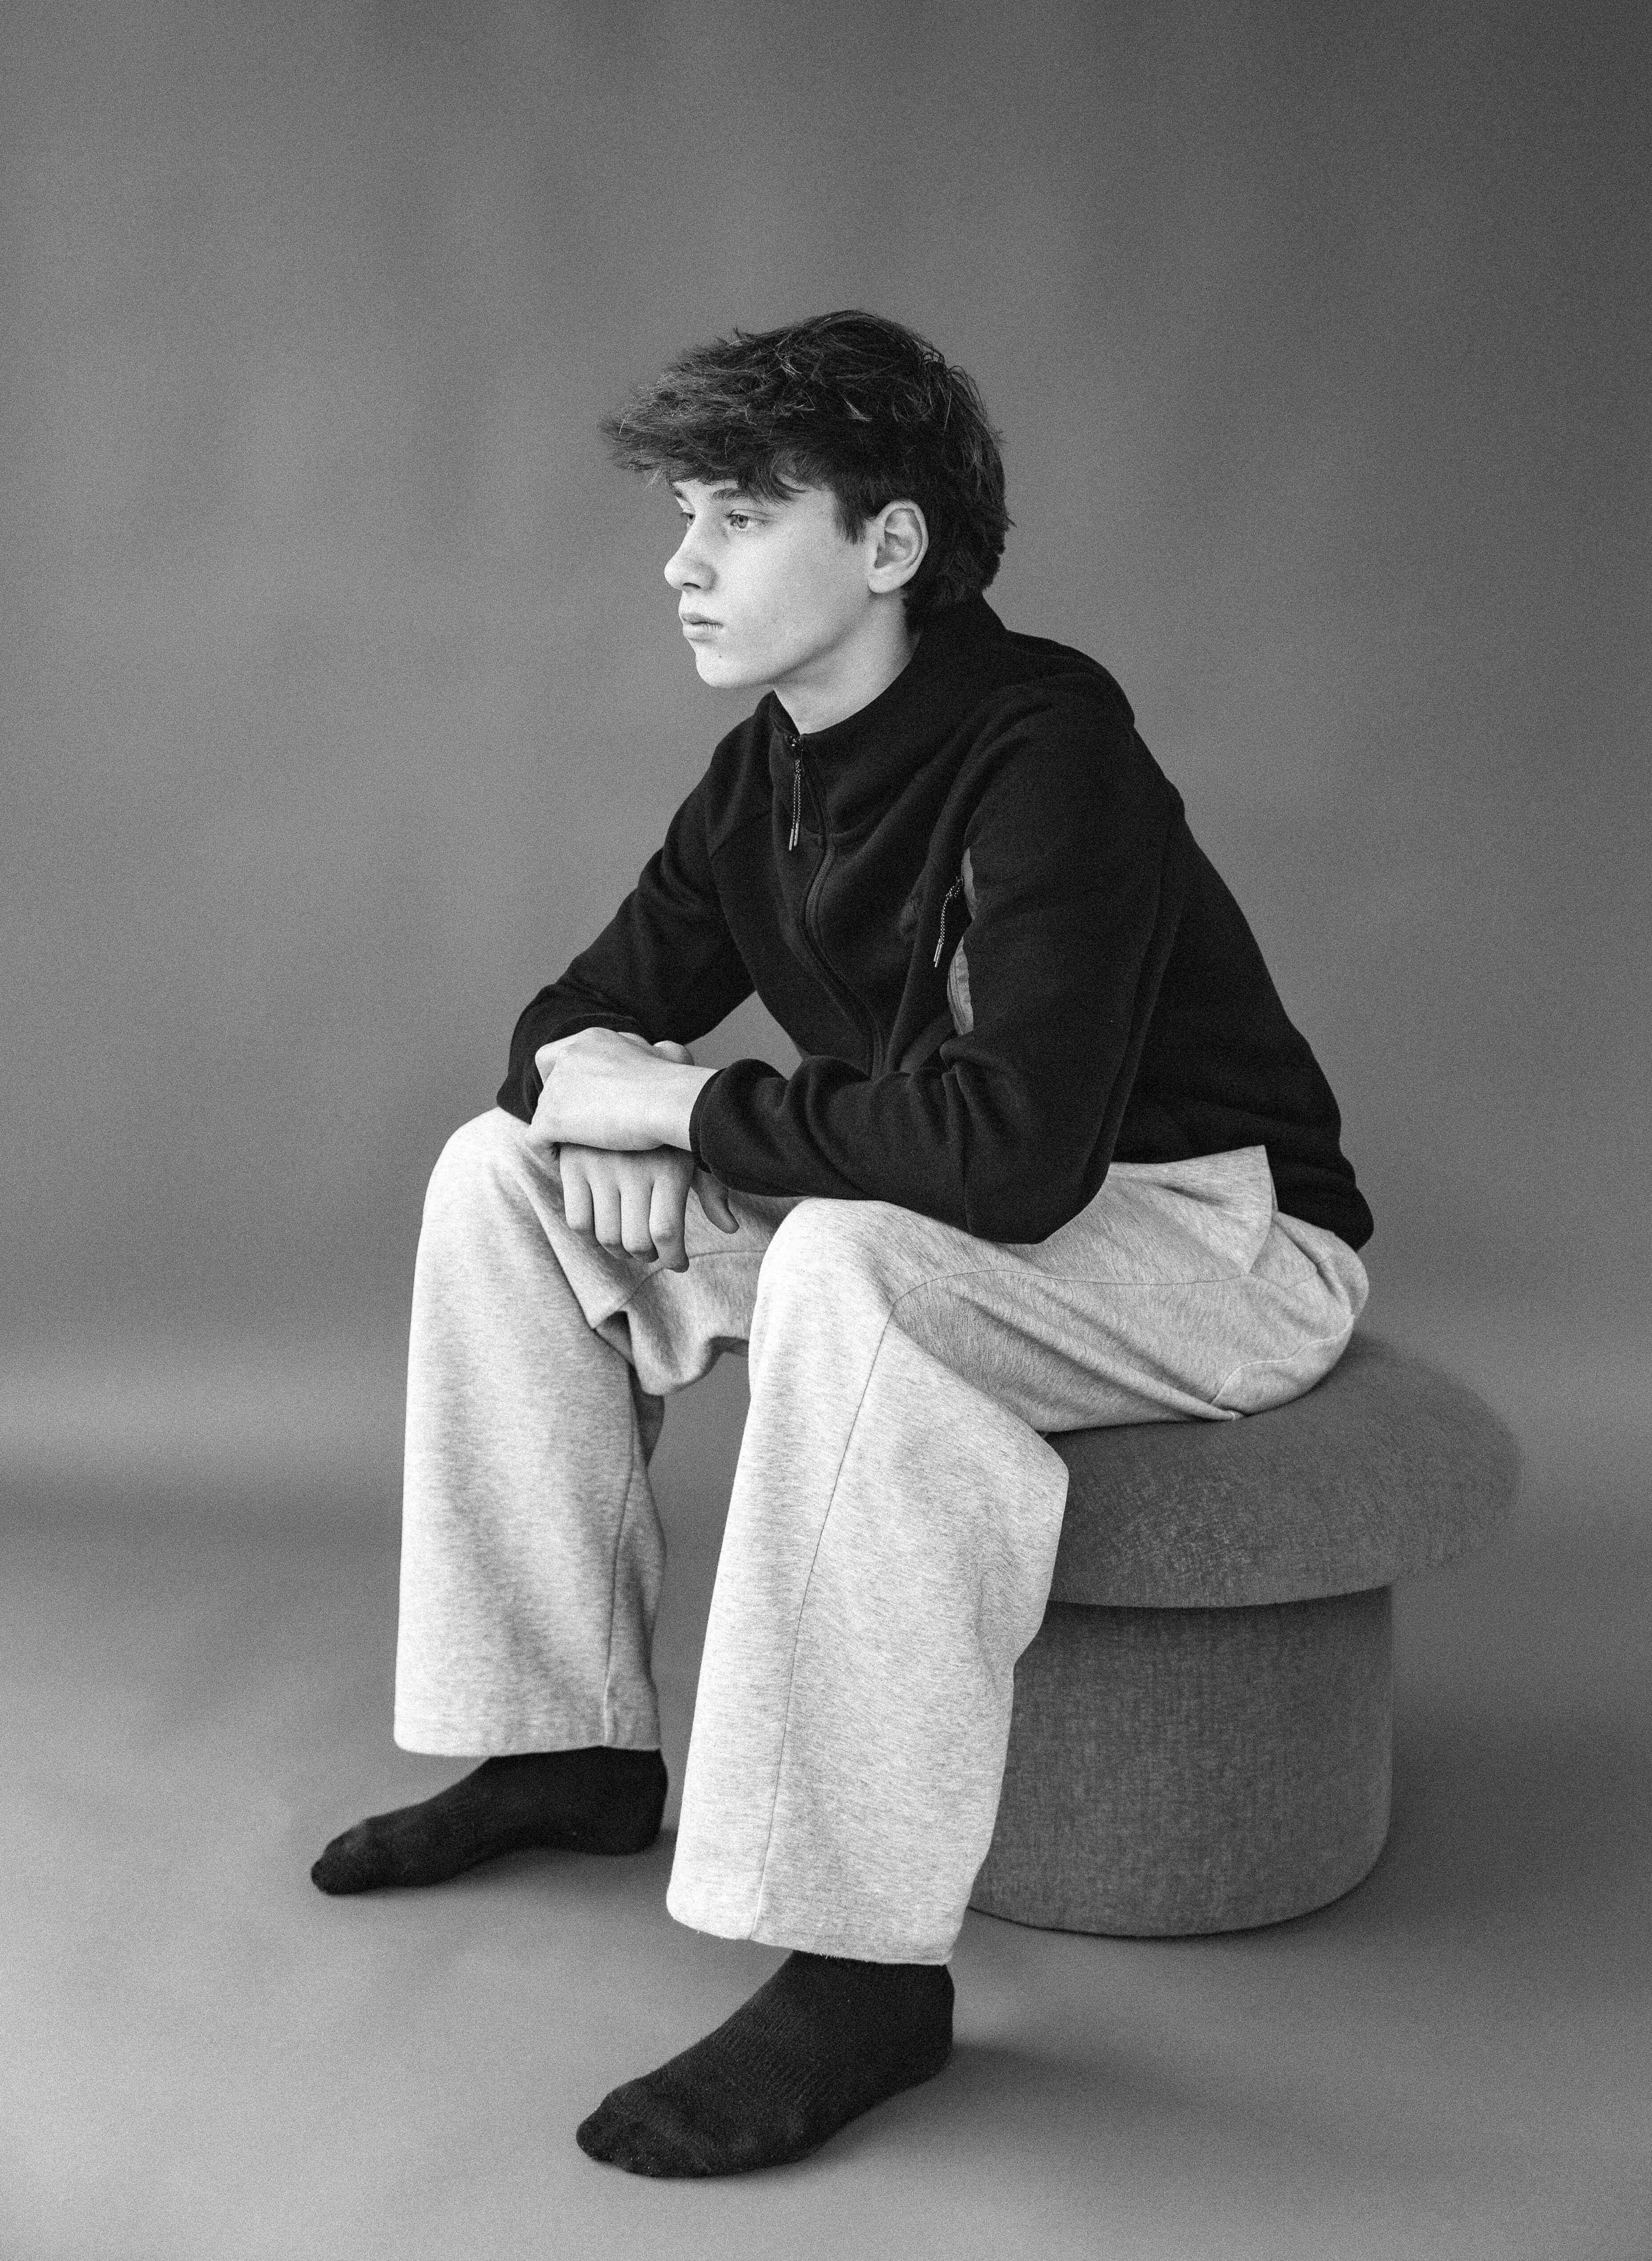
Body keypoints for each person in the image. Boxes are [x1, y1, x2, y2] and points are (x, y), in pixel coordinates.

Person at [311, 309, 1374, 2178]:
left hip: (1215, 1240)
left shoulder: (1052, 751)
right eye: (684, 514)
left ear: (888, 547)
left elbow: (1015, 1151)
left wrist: (696, 1116)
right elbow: (568, 1029)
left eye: (736, 515)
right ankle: (563, 1739)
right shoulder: (764, 772)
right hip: (960, 1198)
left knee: (844, 1264)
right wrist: (606, 1100)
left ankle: (860, 1965)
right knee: (499, 1171)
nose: (680, 560)